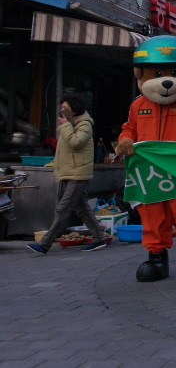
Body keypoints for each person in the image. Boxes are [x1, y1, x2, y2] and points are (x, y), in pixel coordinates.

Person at [27, 93, 108, 254]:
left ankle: (44, 244)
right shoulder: (71, 124)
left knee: (63, 208)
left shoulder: (84, 125)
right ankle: (99, 238)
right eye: (62, 108)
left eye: (65, 108)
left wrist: (65, 126)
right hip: (69, 172)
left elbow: (75, 143)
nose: (62, 111)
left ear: (74, 110)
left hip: (78, 173)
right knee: (81, 208)